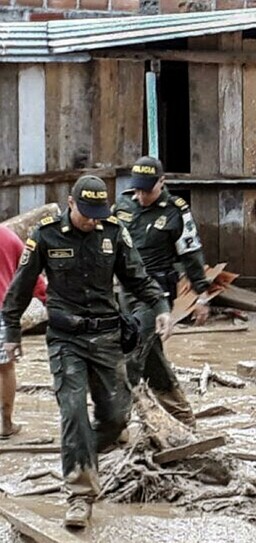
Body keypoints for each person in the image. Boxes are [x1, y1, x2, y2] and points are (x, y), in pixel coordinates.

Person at [2, 176, 172, 529]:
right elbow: (19, 288)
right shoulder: (45, 235)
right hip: (66, 339)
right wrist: (12, 333)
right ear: (70, 203)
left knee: (115, 418)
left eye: (98, 213)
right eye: (86, 213)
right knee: (73, 412)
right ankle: (79, 494)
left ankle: (80, 455)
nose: (92, 220)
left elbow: (136, 277)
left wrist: (161, 306)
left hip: (107, 337)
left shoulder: (112, 232)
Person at [113, 156, 210, 428]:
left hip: (156, 295)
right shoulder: (122, 204)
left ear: (162, 182)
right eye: (138, 189)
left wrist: (201, 295)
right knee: (151, 356)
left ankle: (114, 426)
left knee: (131, 354)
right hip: (125, 293)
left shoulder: (176, 211)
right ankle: (182, 416)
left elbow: (191, 253)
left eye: (148, 189)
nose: (142, 196)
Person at [0, 225, 47, 439]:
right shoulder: (9, 236)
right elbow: (31, 272)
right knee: (5, 368)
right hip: (3, 311)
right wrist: (48, 299)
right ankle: (6, 423)